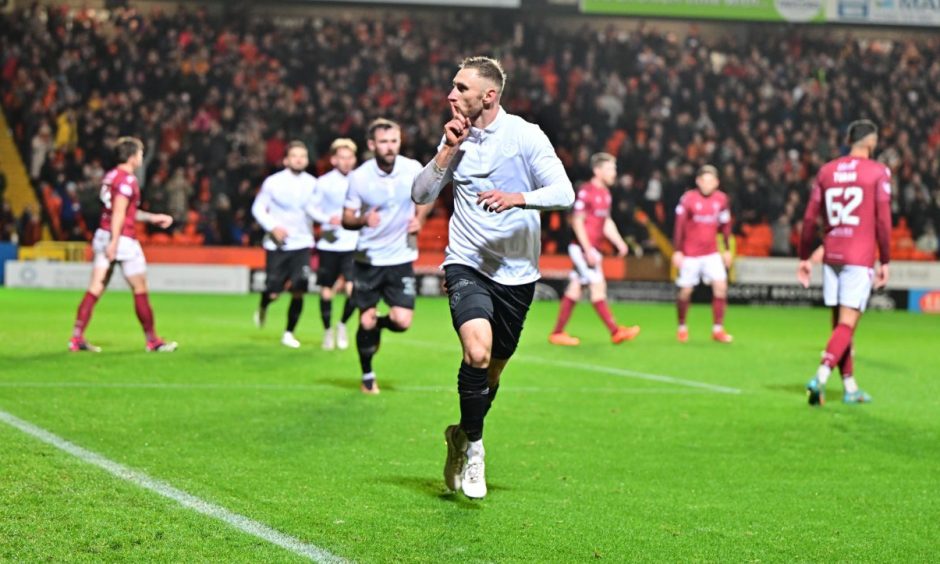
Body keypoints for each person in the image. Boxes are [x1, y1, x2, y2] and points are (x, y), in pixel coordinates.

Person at [412, 56, 575, 499]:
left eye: (461, 88)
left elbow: (564, 192)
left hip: (517, 274)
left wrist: (518, 198)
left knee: (493, 372)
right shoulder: (455, 139)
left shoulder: (524, 136)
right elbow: (420, 193)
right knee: (477, 352)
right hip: (466, 262)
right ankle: (478, 450)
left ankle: (461, 435)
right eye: (452, 86)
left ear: (489, 95)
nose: (451, 95)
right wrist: (446, 149)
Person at [798, 119, 891, 406]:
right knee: (848, 324)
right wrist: (885, 259)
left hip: (832, 254)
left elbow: (809, 217)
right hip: (858, 256)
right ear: (872, 142)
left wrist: (804, 256)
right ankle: (820, 377)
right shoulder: (877, 171)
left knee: (840, 325)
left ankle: (850, 387)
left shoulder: (827, 170)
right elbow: (883, 220)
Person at [342, 119, 428, 394]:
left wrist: (420, 219)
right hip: (368, 260)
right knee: (364, 319)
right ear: (371, 145)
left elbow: (428, 196)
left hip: (401, 257)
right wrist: (364, 219)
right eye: (383, 142)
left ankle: (379, 325)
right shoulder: (359, 177)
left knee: (402, 322)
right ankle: (367, 374)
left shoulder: (413, 168)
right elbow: (346, 219)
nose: (390, 147)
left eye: (394, 141)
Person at [68, 137, 177, 353]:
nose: (141, 157)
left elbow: (123, 210)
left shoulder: (110, 177)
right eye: (140, 153)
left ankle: (76, 338)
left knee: (96, 287)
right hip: (122, 239)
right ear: (132, 156)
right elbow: (119, 212)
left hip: (104, 234)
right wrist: (115, 243)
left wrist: (152, 218)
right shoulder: (127, 180)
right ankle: (152, 340)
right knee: (140, 287)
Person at [549, 152, 641, 346]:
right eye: (609, 168)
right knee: (598, 287)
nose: (614, 172)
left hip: (590, 249)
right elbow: (577, 221)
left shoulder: (605, 193)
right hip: (583, 249)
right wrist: (588, 249)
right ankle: (615, 331)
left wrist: (619, 242)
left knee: (575, 288)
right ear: (597, 170)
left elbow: (605, 221)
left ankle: (557, 333)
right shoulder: (586, 191)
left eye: (614, 168)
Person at [252, 141, 330, 348]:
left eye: (303, 156)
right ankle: (264, 303)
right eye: (294, 155)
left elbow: (317, 210)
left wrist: (329, 219)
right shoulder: (273, 182)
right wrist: (273, 226)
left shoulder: (314, 183)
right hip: (277, 245)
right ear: (286, 159)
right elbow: (258, 208)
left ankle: (289, 332)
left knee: (299, 288)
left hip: (302, 243)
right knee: (274, 291)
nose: (299, 159)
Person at [671, 165, 733, 344]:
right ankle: (682, 326)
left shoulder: (721, 200)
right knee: (685, 291)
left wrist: (727, 249)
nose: (707, 184)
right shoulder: (688, 199)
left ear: (717, 183)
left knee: (721, 287)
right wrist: (677, 251)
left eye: (711, 181)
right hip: (690, 254)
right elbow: (679, 226)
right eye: (704, 180)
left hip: (711, 253)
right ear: (698, 181)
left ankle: (718, 329)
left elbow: (725, 226)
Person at [314, 138, 359, 350]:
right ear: (333, 160)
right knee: (326, 291)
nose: (346, 161)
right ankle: (327, 331)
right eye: (342, 157)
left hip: (352, 244)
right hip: (329, 244)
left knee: (353, 291)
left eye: (349, 157)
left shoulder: (360, 180)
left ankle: (342, 324)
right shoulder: (323, 182)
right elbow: (311, 208)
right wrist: (326, 219)